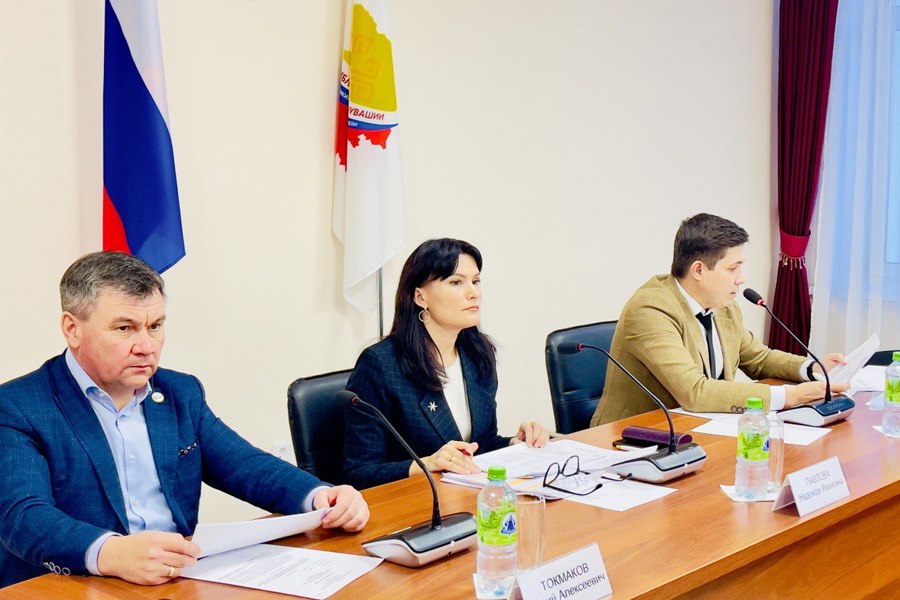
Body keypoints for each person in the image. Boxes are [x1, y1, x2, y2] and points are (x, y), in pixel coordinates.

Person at [0, 252, 369, 588]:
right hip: (76, 585)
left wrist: (319, 495)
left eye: (155, 326)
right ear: (72, 329)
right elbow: (22, 515)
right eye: (124, 328)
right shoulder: (19, 406)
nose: (146, 346)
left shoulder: (179, 392)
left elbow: (245, 465)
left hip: (176, 578)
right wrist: (109, 553)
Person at [591, 213, 848, 426]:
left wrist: (811, 368)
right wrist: (788, 396)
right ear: (699, 270)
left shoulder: (723, 306)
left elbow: (759, 359)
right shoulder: (651, 309)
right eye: (732, 268)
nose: (741, 279)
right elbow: (695, 391)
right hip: (631, 441)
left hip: (695, 428)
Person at [343, 238, 550, 489]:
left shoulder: (478, 355)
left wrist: (514, 444)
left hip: (466, 496)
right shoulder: (381, 365)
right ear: (420, 297)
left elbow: (479, 445)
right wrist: (426, 464)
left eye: (475, 281)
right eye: (456, 282)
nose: (473, 293)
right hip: (413, 501)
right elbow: (358, 473)